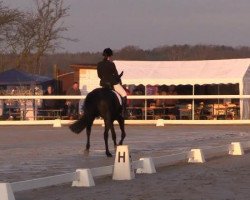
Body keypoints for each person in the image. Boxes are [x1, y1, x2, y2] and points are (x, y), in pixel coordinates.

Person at [97, 48, 127, 117]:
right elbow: (116, 76)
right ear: (110, 56)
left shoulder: (99, 64)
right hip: (112, 83)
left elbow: (99, 75)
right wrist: (120, 75)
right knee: (124, 94)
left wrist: (104, 79)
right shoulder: (111, 64)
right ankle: (123, 113)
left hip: (103, 84)